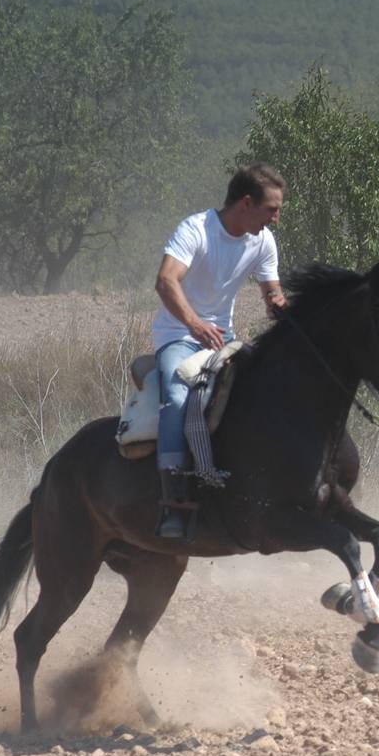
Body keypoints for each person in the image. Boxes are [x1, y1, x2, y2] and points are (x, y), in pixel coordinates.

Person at [151, 163, 288, 539]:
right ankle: (173, 503)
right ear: (246, 203)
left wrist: (281, 307)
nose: (275, 219)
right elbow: (165, 281)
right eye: (271, 210)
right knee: (177, 396)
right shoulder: (196, 230)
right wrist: (195, 324)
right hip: (179, 336)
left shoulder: (262, 242)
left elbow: (271, 292)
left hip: (222, 340)